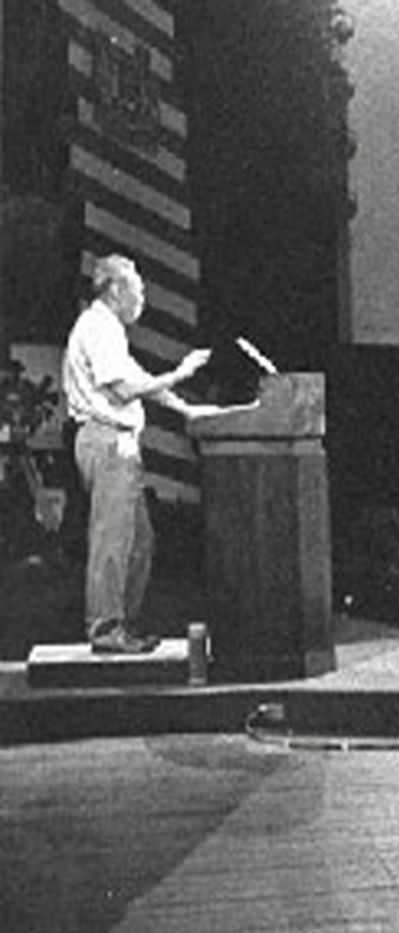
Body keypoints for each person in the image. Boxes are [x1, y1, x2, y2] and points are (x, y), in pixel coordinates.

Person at [62, 255, 214, 654]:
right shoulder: (98, 327)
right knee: (112, 541)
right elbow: (122, 391)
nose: (143, 299)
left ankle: (122, 625)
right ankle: (106, 630)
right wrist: (180, 372)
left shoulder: (109, 329)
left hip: (118, 443)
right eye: (139, 290)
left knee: (139, 542)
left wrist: (188, 408)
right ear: (115, 290)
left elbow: (141, 381)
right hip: (107, 441)